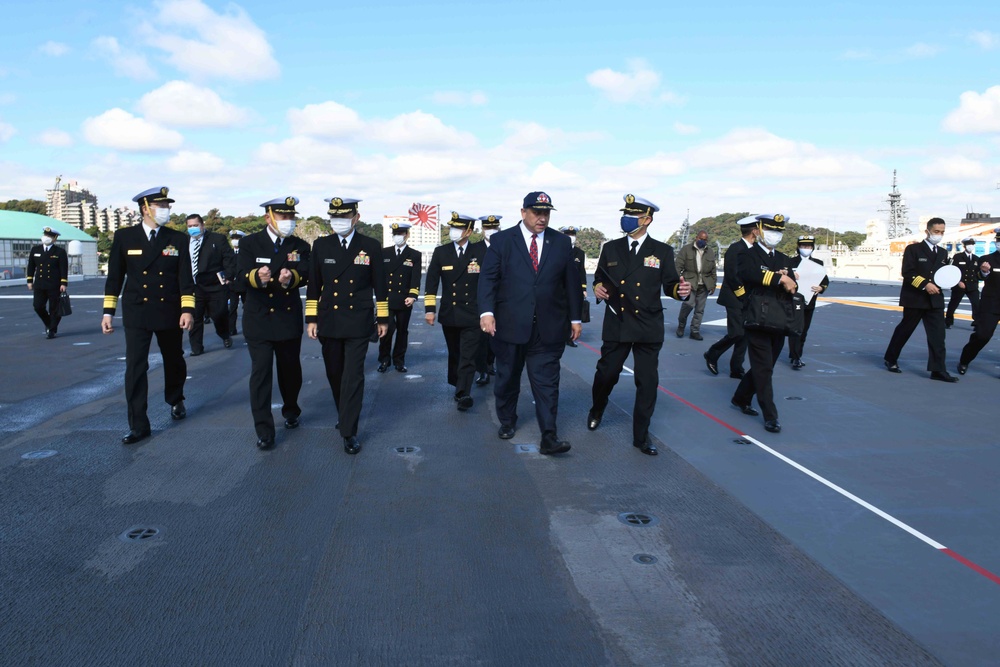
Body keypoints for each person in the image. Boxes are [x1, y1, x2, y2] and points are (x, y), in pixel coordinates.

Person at [479, 191, 583, 455]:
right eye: (537, 212)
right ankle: (507, 420)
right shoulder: (502, 241)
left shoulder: (561, 243)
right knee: (507, 377)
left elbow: (570, 284)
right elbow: (488, 279)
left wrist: (575, 318)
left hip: (548, 327)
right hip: (510, 324)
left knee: (547, 381)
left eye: (546, 213)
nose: (542, 218)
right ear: (523, 212)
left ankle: (549, 435)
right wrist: (486, 313)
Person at [588, 195, 691, 456]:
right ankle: (597, 408)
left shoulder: (662, 251)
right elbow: (600, 277)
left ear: (647, 219)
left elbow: (670, 285)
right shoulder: (610, 248)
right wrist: (598, 287)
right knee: (607, 374)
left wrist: (681, 292)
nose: (627, 218)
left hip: (647, 324)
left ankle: (641, 436)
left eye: (633, 215)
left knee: (647, 382)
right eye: (626, 214)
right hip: (618, 322)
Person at [101, 186, 194, 444]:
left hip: (169, 309)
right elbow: (114, 278)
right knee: (135, 367)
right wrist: (108, 312)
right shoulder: (124, 237)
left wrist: (188, 309)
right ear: (145, 209)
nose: (166, 210)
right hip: (137, 311)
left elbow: (185, 278)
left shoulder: (178, 239)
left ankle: (176, 399)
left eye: (167, 206)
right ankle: (138, 424)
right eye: (161, 206)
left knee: (174, 360)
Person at [306, 197, 388, 455]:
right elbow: (313, 285)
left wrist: (383, 319)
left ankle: (348, 430)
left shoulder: (370, 246)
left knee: (353, 375)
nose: (338, 221)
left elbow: (380, 286)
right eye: (334, 217)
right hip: (330, 319)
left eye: (343, 216)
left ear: (356, 217)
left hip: (359, 321)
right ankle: (344, 412)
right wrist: (311, 318)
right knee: (335, 373)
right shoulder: (321, 245)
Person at [236, 196, 311, 450]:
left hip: (287, 317)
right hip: (259, 319)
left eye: (291, 217)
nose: (288, 221)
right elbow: (239, 276)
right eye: (283, 216)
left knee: (290, 371)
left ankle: (291, 409)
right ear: (268, 217)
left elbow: (308, 272)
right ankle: (264, 430)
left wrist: (293, 277)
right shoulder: (249, 243)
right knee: (261, 374)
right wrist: (257, 276)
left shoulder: (299, 245)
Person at [730, 213, 798, 433]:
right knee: (763, 368)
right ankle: (770, 414)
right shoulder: (747, 255)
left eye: (778, 231)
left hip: (778, 319)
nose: (775, 235)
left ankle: (741, 397)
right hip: (757, 318)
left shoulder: (784, 258)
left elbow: (793, 285)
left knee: (765, 366)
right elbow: (749, 274)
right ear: (758, 230)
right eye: (770, 230)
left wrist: (787, 279)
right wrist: (779, 278)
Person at [424, 212, 488, 411]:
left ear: (469, 231)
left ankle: (463, 392)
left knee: (468, 355)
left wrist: (489, 311)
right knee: (455, 352)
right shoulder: (441, 252)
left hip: (472, 313)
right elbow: (432, 282)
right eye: (452, 227)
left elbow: (487, 283)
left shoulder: (481, 252)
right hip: (450, 313)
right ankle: (457, 383)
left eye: (458, 228)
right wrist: (429, 309)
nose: (454, 231)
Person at [883, 217, 958, 382]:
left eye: (942, 232)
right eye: (936, 232)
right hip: (915, 298)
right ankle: (891, 358)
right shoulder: (913, 249)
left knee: (938, 336)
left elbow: (943, 274)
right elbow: (908, 272)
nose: (939, 235)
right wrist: (925, 284)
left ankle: (938, 370)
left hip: (935, 300)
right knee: (905, 330)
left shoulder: (943, 253)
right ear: (928, 231)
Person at [704, 217, 756, 379]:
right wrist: (742, 294)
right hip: (735, 297)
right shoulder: (736, 248)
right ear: (754, 231)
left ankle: (736, 368)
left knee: (745, 334)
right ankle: (713, 353)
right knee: (736, 333)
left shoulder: (755, 250)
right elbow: (732, 275)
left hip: (749, 298)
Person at [185, 214, 236, 356]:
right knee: (195, 318)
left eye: (195, 225)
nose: (193, 229)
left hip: (215, 286)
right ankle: (196, 347)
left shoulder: (217, 239)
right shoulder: (184, 241)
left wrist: (228, 276)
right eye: (190, 226)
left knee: (219, 314)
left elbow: (229, 259)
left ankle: (224, 334)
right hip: (195, 286)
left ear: (202, 225)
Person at [378, 222, 421, 373]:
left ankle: (399, 360)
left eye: (401, 234)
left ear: (407, 235)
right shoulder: (384, 253)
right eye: (396, 234)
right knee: (386, 329)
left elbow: (416, 278)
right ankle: (384, 359)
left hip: (404, 299)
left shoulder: (414, 255)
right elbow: (379, 276)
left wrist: (413, 295)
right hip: (387, 299)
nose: (398, 237)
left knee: (402, 331)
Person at [957, 228, 1000, 375]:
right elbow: (980, 277)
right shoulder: (987, 260)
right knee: (982, 336)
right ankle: (965, 359)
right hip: (992, 304)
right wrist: (984, 272)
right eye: (999, 240)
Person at [787, 235, 829, 369]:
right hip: (794, 300)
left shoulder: (818, 263)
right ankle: (795, 357)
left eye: (809, 246)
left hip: (809, 301)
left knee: (804, 330)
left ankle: (796, 354)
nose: (806, 248)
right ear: (798, 247)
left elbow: (824, 280)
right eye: (803, 246)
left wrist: (821, 288)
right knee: (795, 329)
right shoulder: (790, 262)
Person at [26, 226, 68, 339]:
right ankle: (49, 323)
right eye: (46, 235)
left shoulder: (60, 252)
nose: (47, 237)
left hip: (54, 285)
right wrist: (29, 280)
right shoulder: (35, 250)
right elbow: (31, 266)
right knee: (38, 306)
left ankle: (52, 330)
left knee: (54, 308)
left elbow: (64, 269)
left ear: (55, 238)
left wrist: (64, 283)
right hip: (39, 284)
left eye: (50, 236)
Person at [675, 229, 716, 341]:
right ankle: (681, 326)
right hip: (690, 283)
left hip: (704, 285)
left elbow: (713, 270)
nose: (702, 241)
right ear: (696, 238)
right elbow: (678, 266)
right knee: (688, 305)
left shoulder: (710, 252)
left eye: (705, 240)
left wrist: (713, 284)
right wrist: (678, 281)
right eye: (701, 239)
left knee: (699, 309)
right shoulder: (686, 249)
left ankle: (695, 331)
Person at [475, 215, 502, 382]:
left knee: (495, 335)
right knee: (480, 337)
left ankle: (491, 363)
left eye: (494, 227)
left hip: (500, 300)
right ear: (482, 229)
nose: (490, 230)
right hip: (480, 300)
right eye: (487, 227)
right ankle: (482, 369)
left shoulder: (504, 246)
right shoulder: (474, 249)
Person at [559, 226, 588, 347]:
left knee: (573, 311)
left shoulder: (579, 253)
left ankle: (570, 337)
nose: (571, 237)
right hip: (560, 287)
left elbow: (581, 271)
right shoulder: (558, 250)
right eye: (568, 234)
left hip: (573, 288)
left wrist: (583, 288)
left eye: (573, 234)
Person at [945, 237, 980, 329]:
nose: (971, 246)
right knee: (953, 303)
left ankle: (977, 323)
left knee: (976, 304)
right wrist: (958, 281)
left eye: (972, 245)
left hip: (972, 285)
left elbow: (977, 273)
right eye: (969, 245)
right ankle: (948, 321)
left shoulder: (976, 259)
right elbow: (952, 270)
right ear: (964, 246)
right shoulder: (957, 257)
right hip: (960, 285)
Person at [227, 230, 246, 336]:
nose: (235, 240)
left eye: (237, 238)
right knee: (232, 308)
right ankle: (231, 329)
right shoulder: (229, 253)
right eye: (233, 238)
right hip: (233, 284)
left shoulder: (246, 253)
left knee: (247, 308)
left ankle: (247, 328)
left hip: (245, 284)